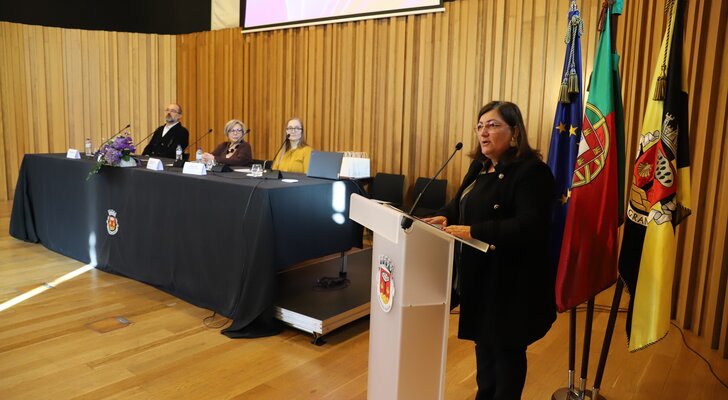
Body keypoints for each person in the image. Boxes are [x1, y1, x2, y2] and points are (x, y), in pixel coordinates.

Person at [423, 101, 556, 400]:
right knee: (484, 354)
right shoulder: (480, 167)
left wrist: (474, 231)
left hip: (511, 281)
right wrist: (445, 216)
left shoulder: (532, 172)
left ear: (515, 132)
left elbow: (530, 225)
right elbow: (460, 204)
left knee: (506, 355)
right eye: (480, 126)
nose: (484, 132)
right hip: (480, 277)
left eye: (493, 125)